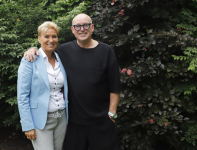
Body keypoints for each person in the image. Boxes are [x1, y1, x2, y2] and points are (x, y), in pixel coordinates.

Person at [24, 13, 121, 150]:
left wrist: (111, 114)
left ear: (92, 28)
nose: (82, 29)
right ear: (72, 30)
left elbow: (115, 87)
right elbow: (46, 48)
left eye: (85, 25)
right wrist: (32, 49)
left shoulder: (106, 52)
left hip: (101, 122)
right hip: (73, 123)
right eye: (77, 26)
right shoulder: (62, 51)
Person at [17, 21, 68, 150]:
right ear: (39, 39)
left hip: (62, 118)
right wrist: (27, 125)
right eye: (46, 36)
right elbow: (22, 96)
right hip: (40, 120)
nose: (51, 40)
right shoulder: (30, 60)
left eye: (54, 36)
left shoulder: (60, 57)